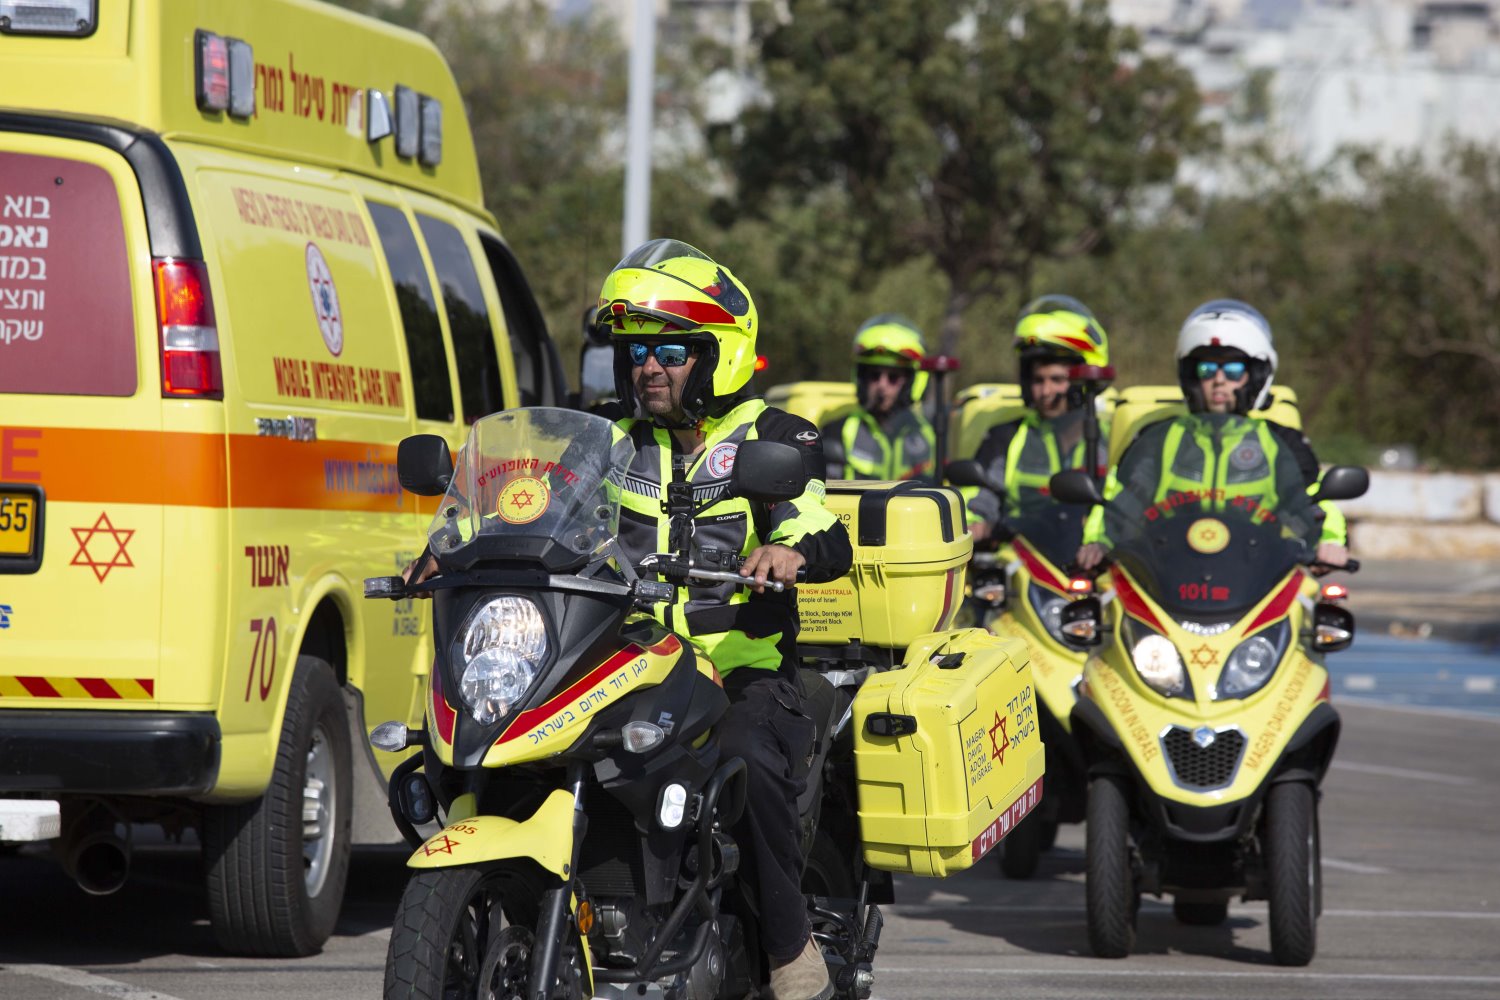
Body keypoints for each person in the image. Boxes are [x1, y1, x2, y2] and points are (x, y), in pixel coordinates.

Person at [595, 238, 852, 1000]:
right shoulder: (609, 440)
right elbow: (540, 507)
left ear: (717, 356)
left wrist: (787, 550)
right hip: (628, 665)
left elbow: (816, 521)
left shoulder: (775, 436)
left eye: (671, 348)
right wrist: (463, 548)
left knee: (746, 759)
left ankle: (789, 950)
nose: (649, 367)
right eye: (638, 349)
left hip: (739, 670)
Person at [1077, 299, 1349, 571]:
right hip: (1168, 577)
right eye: (1206, 369)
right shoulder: (1160, 440)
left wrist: (1328, 542)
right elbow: (1122, 501)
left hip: (1256, 577)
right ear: (1190, 377)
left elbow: (1312, 501)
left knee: (1323, 611)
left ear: (1254, 375)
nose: (1219, 380)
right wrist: (1099, 542)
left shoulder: (1281, 443)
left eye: (1233, 370)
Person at [965, 295, 1111, 550]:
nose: (1045, 392)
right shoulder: (1007, 437)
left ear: (1081, 381)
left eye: (1057, 380)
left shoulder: (1110, 440)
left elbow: (1122, 508)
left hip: (1087, 570)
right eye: (1037, 380)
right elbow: (982, 494)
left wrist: (1099, 542)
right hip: (1019, 563)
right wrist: (977, 522)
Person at [820, 315, 936, 480]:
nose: (882, 385)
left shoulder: (928, 435)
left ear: (910, 381)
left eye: (893, 377)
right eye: (874, 375)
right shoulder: (837, 431)